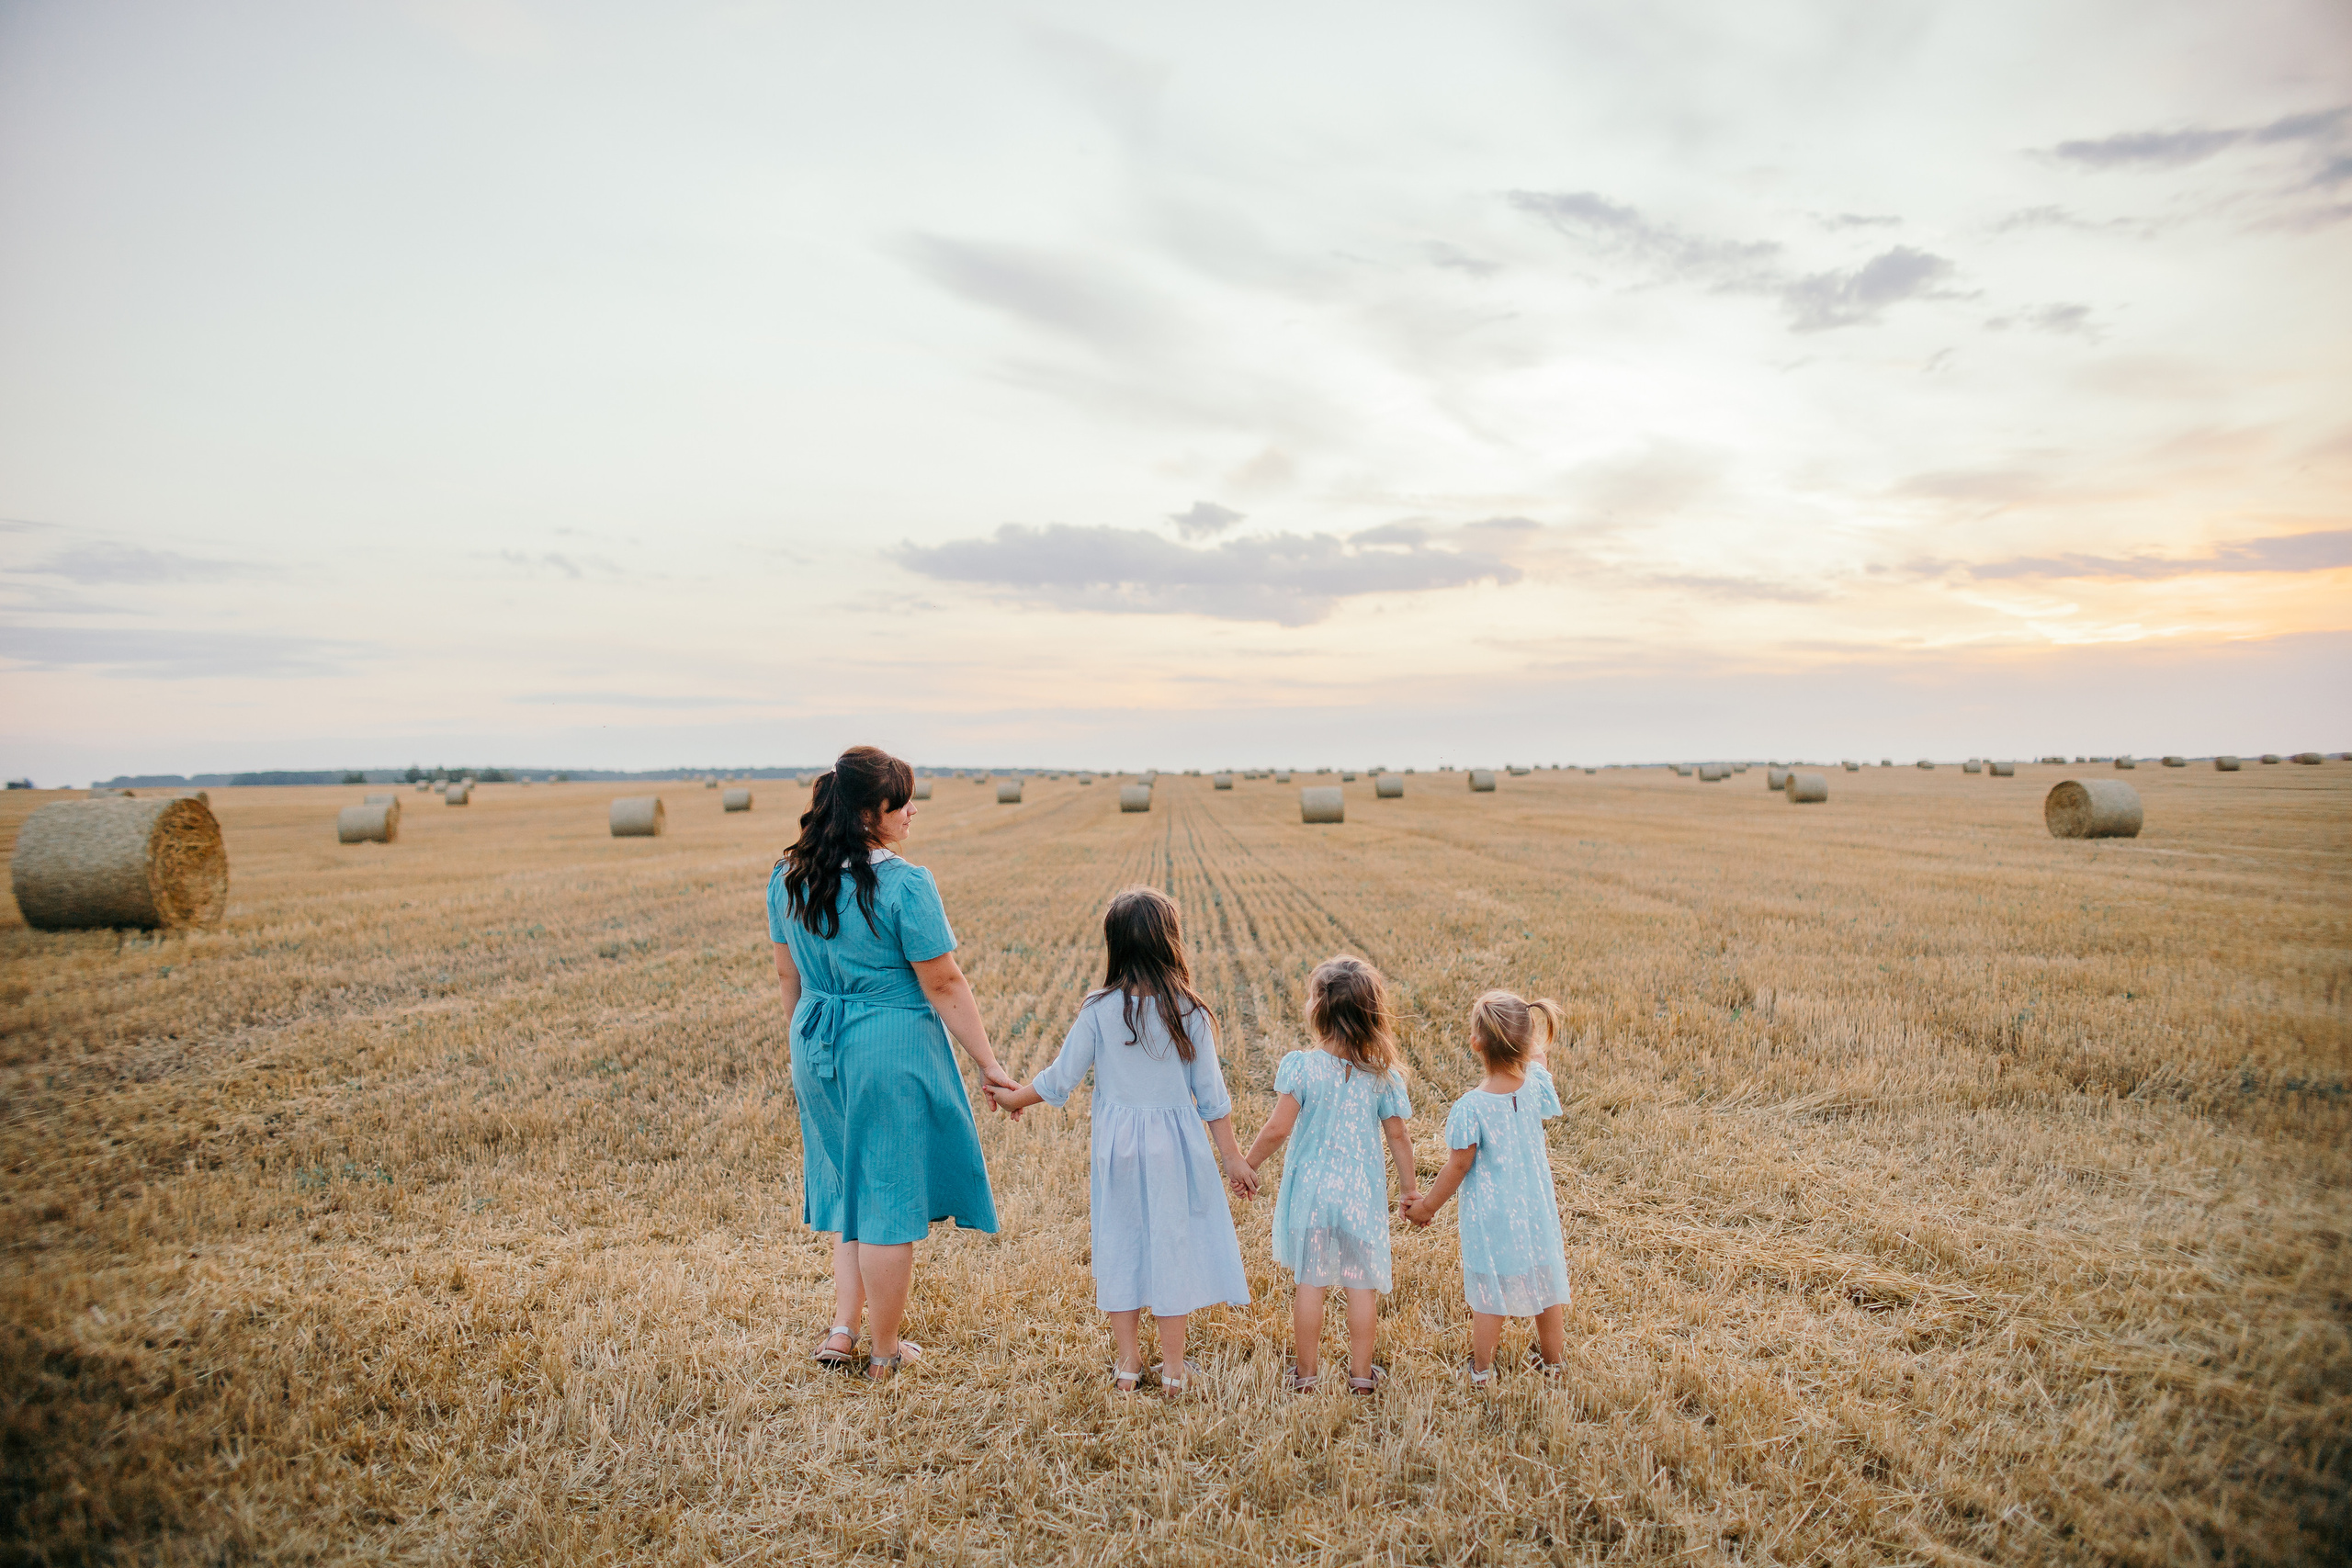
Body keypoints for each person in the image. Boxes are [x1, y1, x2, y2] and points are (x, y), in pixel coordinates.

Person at [771, 745, 1019, 1381]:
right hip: (887, 1047)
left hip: (815, 1041)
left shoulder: (789, 877)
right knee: (886, 1201)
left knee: (849, 1188)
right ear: (866, 813)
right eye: (899, 802)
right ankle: (883, 1353)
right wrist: (988, 1061)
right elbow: (944, 983)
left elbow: (788, 978)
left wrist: (807, 1048)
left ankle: (842, 1329)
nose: (911, 811)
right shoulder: (905, 884)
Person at [991, 887, 1258, 1393]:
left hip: (1117, 1152)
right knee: (1171, 1247)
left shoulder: (1098, 1009)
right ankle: (1174, 1370)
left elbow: (1059, 1079)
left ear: (1115, 945)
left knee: (1121, 1244)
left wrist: (1013, 1099)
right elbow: (1212, 1098)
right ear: (1170, 942)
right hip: (1176, 1153)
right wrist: (1233, 1159)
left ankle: (1129, 1365)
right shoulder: (1191, 1013)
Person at [1239, 956, 1419, 1394]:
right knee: (1360, 1285)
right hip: (1360, 1194)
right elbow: (1399, 1137)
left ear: (1319, 1009)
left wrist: (1248, 1164)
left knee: (1311, 1282)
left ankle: (1306, 1376)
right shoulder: (1382, 1075)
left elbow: (1277, 1129)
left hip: (1313, 1192)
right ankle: (1361, 1377)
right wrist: (1410, 1189)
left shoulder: (1303, 1067)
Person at [1404, 990, 1571, 1382]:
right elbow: (1538, 1059)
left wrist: (1426, 1207)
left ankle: (1482, 1370)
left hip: (1492, 1215)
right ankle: (1554, 1364)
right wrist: (1528, 1045)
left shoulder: (1471, 1107)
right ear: (1526, 1041)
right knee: (1545, 1283)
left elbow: (1458, 1165)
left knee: (1489, 1291)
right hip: (1535, 1207)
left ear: (1475, 1043)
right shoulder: (1535, 1084)